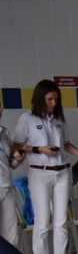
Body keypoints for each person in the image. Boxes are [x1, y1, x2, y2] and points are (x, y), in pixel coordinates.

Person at [12, 79, 78, 254]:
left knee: (61, 220)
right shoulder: (27, 118)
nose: (53, 103)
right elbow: (17, 145)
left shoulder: (58, 119)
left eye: (55, 99)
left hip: (62, 172)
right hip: (40, 172)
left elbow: (65, 143)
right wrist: (39, 149)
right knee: (42, 220)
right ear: (40, 98)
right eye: (49, 99)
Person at [0, 101, 26, 245]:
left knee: (10, 236)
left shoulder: (4, 132)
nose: (0, 110)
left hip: (7, 186)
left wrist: (18, 159)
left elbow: (11, 164)